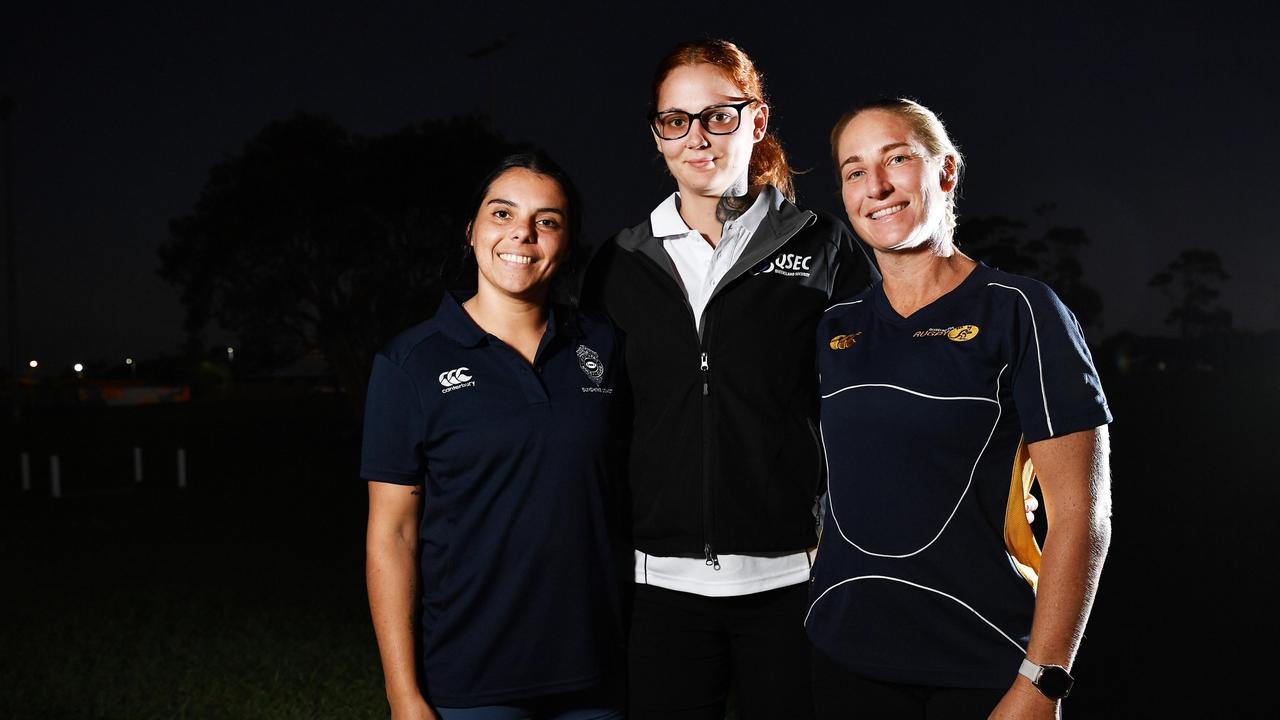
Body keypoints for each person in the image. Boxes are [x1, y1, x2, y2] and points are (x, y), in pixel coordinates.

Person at [583, 39, 879, 720]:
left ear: (757, 120)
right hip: (659, 587)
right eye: (675, 120)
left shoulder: (820, 244)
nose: (697, 139)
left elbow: (868, 401)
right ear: (656, 134)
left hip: (794, 583)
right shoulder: (619, 263)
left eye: (719, 116)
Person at [806, 98, 1113, 719]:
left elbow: (1082, 516)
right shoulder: (834, 327)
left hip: (983, 666)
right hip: (842, 661)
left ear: (945, 172)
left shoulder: (1021, 310)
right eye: (855, 171)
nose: (878, 187)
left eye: (897, 160)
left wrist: (1042, 681)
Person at [363, 152, 627, 720]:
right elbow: (393, 535)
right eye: (502, 213)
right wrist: (402, 694)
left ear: (567, 241)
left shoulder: (603, 344)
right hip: (472, 679)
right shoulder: (409, 362)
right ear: (472, 230)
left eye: (547, 221)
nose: (522, 235)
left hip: (596, 675)